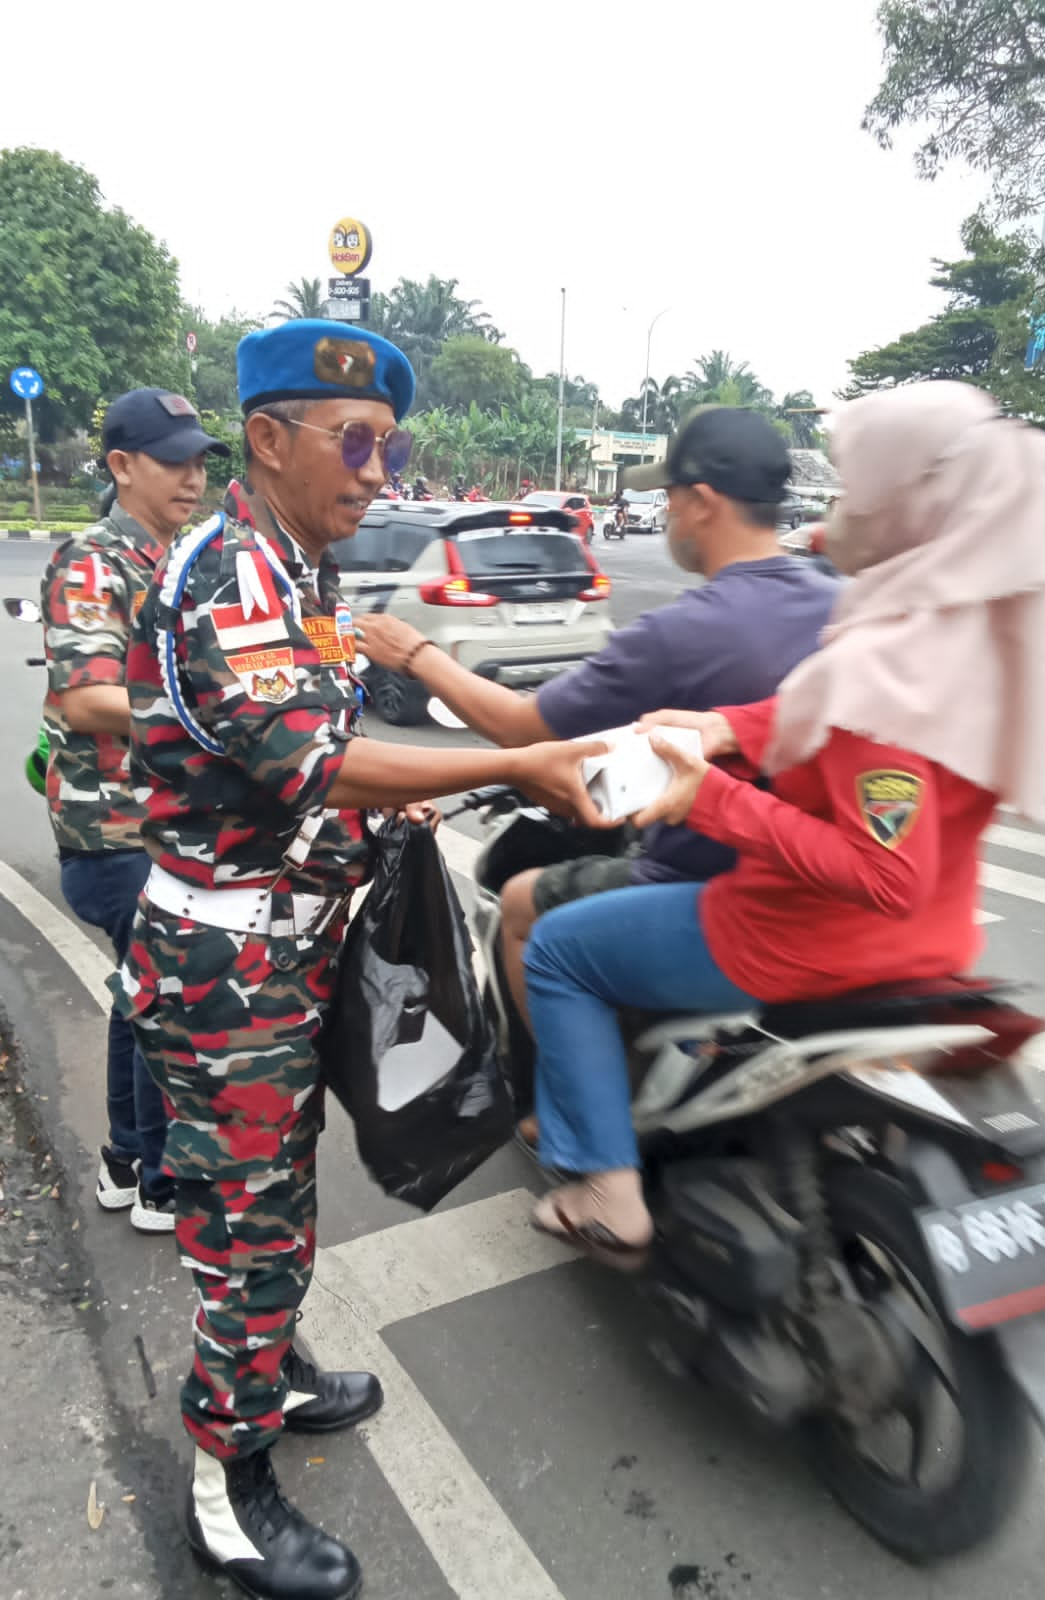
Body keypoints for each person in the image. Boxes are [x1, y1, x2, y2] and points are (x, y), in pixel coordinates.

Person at [110, 319, 607, 1600]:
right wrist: (514, 760)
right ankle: (229, 1483)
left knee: (279, 1202)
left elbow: (331, 748)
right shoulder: (228, 572)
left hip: (286, 957)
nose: (382, 472)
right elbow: (315, 761)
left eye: (390, 443)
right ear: (269, 441)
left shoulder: (298, 572)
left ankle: (266, 1370)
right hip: (227, 969)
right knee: (246, 1232)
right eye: (358, 443)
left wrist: (404, 800)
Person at [519, 381, 1045, 1260]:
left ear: (909, 508)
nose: (832, 513)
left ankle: (609, 1189)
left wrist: (710, 795)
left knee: (556, 950)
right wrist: (719, 728)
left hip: (804, 939)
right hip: (936, 950)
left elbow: (882, 865)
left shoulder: (885, 669)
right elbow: (819, 728)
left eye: (862, 490)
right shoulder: (972, 639)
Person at [356, 407, 841, 1031]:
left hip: (710, 890)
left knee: (523, 905)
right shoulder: (847, 604)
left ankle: (545, 1112)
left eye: (668, 498)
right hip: (826, 897)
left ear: (700, 501)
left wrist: (415, 654)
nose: (665, 513)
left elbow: (526, 730)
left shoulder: (682, 630)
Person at [41, 388, 230, 1233]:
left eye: (199, 460)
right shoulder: (92, 562)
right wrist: (208, 712)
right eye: (174, 459)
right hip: (115, 829)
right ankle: (159, 1177)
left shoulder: (182, 557)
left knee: (138, 995)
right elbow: (85, 700)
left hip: (158, 822)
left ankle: (126, 1159)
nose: (194, 476)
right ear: (121, 466)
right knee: (170, 998)